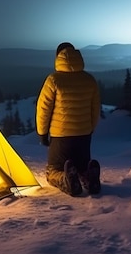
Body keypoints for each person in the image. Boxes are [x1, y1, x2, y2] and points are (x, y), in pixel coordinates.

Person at [36, 42, 101, 196]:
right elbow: (95, 108)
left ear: (58, 57)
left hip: (61, 137)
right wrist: (90, 128)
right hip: (84, 136)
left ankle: (66, 181)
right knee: (80, 166)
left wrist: (42, 133)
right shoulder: (89, 80)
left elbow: (43, 109)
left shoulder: (53, 80)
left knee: (53, 170)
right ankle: (88, 176)